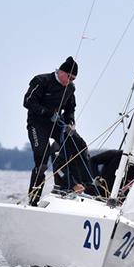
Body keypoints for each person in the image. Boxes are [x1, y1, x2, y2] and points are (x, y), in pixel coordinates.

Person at [23, 56, 78, 206]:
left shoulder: (70, 88)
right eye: (69, 77)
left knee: (74, 145)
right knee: (41, 160)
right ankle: (33, 199)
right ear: (60, 72)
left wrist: (70, 122)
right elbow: (27, 101)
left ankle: (64, 188)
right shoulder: (41, 80)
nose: (70, 81)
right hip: (37, 124)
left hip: (55, 125)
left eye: (73, 79)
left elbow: (70, 109)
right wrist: (46, 113)